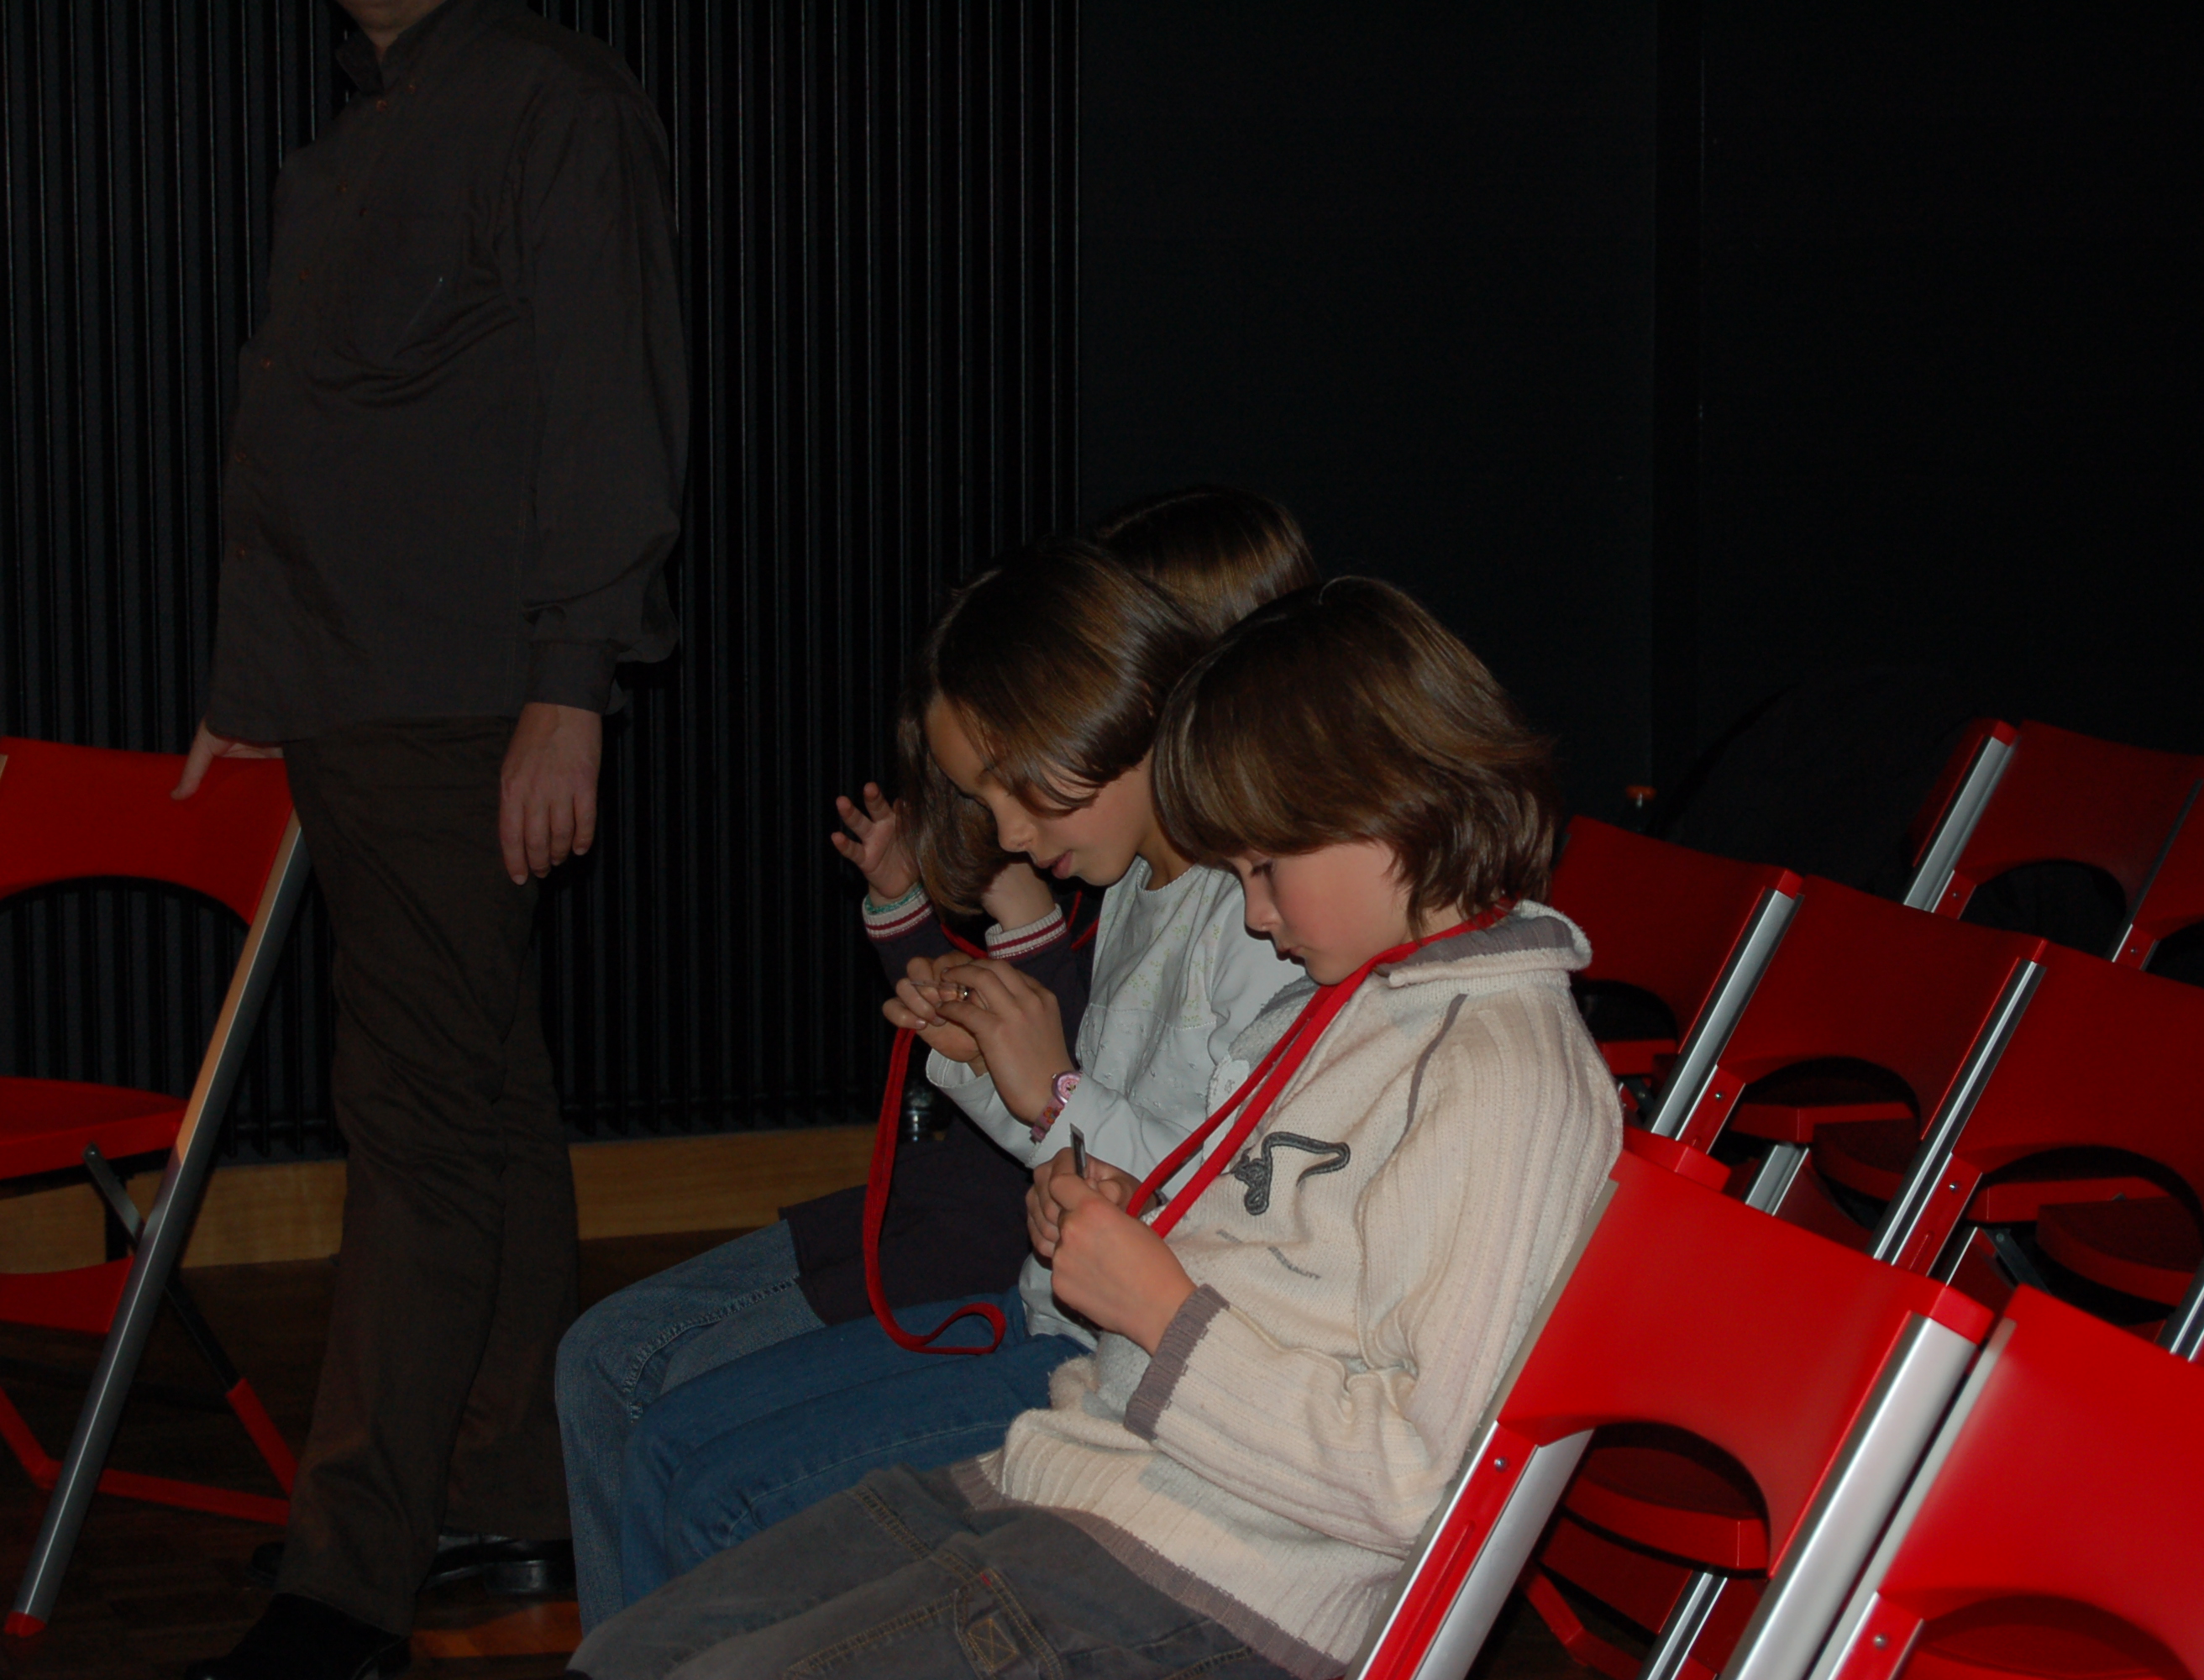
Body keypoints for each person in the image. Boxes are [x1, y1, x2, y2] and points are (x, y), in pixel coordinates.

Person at [570, 576, 1621, 1679]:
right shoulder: (1357, 1003)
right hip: (1079, 1485)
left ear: (1387, 806)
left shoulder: (1503, 1076)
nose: (1255, 912)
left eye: (1266, 867)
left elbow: (1422, 1485)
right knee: (633, 1654)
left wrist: (1162, 1310)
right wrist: (1128, 1215)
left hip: (1209, 1586)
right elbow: (1272, 1264)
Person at [171, 3, 685, 1677]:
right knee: (480, 1092)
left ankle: (349, 1584)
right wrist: (260, 684)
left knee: (417, 1123)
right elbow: (321, 433)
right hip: (358, 689)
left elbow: (612, 403)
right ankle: (510, 1491)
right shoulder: (377, 111)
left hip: (458, 703)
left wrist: (568, 688)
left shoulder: (549, 101)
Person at [565, 533, 1306, 1627]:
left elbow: (1222, 1223)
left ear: (1113, 710)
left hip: (1108, 1373)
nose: (1005, 831)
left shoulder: (1254, 919)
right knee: (671, 1442)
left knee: (722, 1496)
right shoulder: (1142, 886)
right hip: (1050, 1322)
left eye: (1016, 787)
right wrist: (987, 1072)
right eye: (983, 796)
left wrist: (1053, 1094)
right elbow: (1087, 1151)